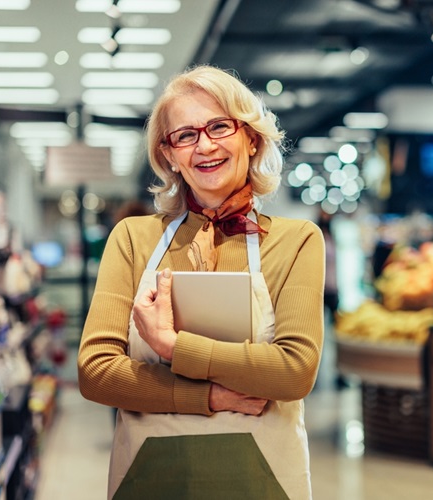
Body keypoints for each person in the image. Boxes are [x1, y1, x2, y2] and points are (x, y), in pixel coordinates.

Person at [78, 65, 325, 500]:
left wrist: (174, 349)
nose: (204, 146)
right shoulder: (133, 239)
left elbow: (294, 372)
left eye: (218, 126)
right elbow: (97, 372)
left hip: (263, 482)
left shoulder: (297, 240)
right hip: (149, 479)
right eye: (185, 135)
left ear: (250, 137)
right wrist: (211, 396)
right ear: (169, 154)